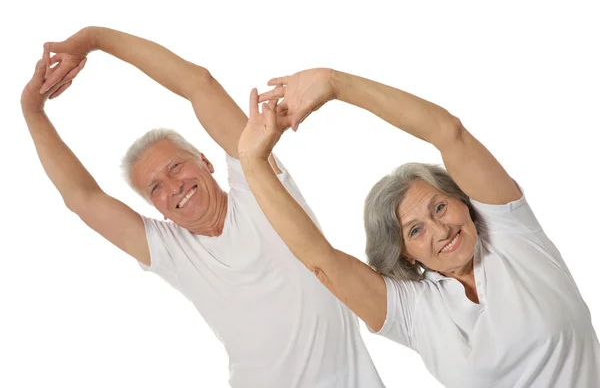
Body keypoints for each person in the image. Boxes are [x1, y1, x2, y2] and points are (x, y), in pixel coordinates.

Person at [20, 28, 385, 388]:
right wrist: (32, 111)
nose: (173, 186)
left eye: (176, 166)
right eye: (155, 188)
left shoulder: (258, 183)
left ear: (206, 162)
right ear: (156, 208)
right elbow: (82, 199)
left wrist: (94, 40)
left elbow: (198, 84)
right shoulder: (173, 251)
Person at [238, 68, 600, 387]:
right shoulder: (414, 310)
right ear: (406, 256)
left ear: (465, 203)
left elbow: (448, 132)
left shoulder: (512, 234)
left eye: (439, 207)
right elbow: (321, 261)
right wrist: (253, 162)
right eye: (415, 231)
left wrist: (336, 84)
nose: (440, 230)